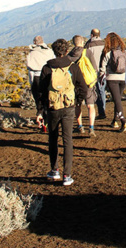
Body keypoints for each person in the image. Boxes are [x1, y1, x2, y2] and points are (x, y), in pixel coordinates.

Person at [35, 38, 89, 187]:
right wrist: (77, 101)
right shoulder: (72, 67)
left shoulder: (47, 68)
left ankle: (54, 170)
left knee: (53, 138)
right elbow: (83, 87)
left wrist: (40, 110)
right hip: (68, 107)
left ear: (54, 51)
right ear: (66, 51)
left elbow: (41, 92)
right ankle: (67, 175)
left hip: (52, 109)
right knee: (67, 140)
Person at [99, 32, 126, 132]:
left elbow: (102, 67)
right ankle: (115, 120)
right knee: (118, 100)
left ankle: (123, 122)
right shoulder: (125, 52)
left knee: (117, 101)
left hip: (112, 79)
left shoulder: (107, 52)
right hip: (123, 78)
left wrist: (101, 78)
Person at [69, 35, 97, 136]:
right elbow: (94, 67)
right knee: (90, 105)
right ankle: (91, 128)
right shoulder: (87, 52)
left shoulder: (69, 55)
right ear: (82, 42)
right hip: (88, 82)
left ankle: (80, 126)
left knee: (77, 105)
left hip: (76, 84)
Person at [26, 36, 55, 112]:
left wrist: (32, 84)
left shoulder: (32, 53)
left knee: (38, 98)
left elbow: (30, 70)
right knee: (48, 97)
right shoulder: (49, 51)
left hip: (37, 77)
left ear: (34, 42)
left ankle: (40, 114)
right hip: (48, 76)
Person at [84, 29, 107, 119]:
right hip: (104, 70)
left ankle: (101, 111)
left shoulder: (88, 45)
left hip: (93, 71)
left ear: (91, 35)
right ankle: (103, 110)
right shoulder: (104, 44)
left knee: (95, 91)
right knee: (102, 90)